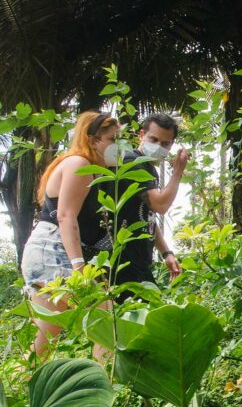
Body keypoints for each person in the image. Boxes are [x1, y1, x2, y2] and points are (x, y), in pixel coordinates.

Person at [21, 111, 120, 358]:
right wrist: (79, 266)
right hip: (52, 251)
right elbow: (65, 216)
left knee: (44, 342)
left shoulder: (90, 168)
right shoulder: (79, 164)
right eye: (112, 139)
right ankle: (106, 388)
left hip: (50, 251)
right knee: (107, 319)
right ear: (92, 140)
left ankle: (21, 391)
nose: (118, 146)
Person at [113, 112, 189, 288]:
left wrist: (166, 253)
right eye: (153, 140)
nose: (158, 147)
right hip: (122, 260)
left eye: (165, 143)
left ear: (172, 145)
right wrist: (178, 171)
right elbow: (160, 205)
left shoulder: (149, 169)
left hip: (139, 260)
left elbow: (149, 217)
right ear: (141, 135)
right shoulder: (131, 161)